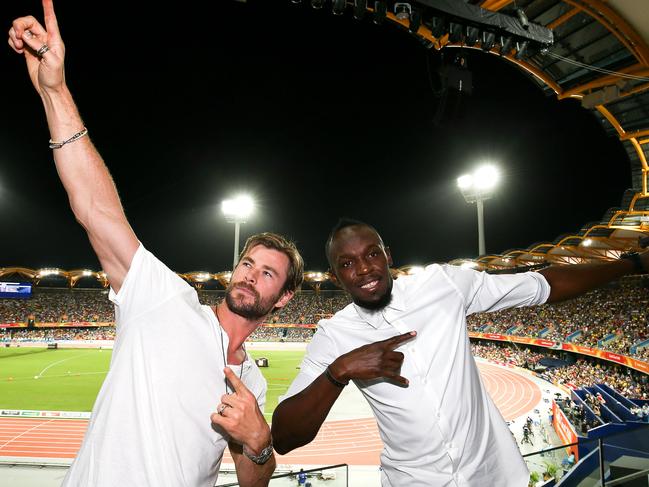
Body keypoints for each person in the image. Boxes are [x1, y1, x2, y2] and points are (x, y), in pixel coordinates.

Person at [7, 2, 304, 486]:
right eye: (247, 263)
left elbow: (255, 480)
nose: (250, 274)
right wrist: (55, 90)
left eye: (268, 272)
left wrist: (257, 440)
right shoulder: (164, 299)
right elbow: (94, 208)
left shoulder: (252, 383)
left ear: (286, 296)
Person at [272, 218, 648, 486]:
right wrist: (340, 370)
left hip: (495, 476)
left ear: (388, 255)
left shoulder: (442, 285)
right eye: (347, 263)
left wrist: (632, 263)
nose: (365, 269)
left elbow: (542, 285)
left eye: (371, 254)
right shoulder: (334, 334)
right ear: (336, 277)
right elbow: (285, 437)